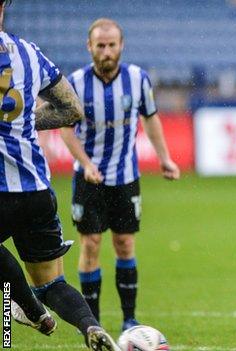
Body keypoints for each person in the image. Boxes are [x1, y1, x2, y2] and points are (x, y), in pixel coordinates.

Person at [0, 1, 120, 350]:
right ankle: (90, 327)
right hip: (36, 189)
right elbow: (71, 109)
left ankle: (30, 311)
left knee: (18, 284)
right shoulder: (28, 52)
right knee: (52, 283)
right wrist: (22, 122)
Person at [60, 18, 180, 332]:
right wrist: (86, 163)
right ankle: (93, 323)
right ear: (90, 47)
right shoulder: (75, 82)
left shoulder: (138, 79)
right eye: (100, 46)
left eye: (112, 45)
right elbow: (66, 130)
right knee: (91, 244)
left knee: (125, 244)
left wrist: (164, 158)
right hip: (89, 177)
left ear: (121, 46)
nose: (107, 51)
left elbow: (151, 120)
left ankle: (129, 319)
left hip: (126, 176)